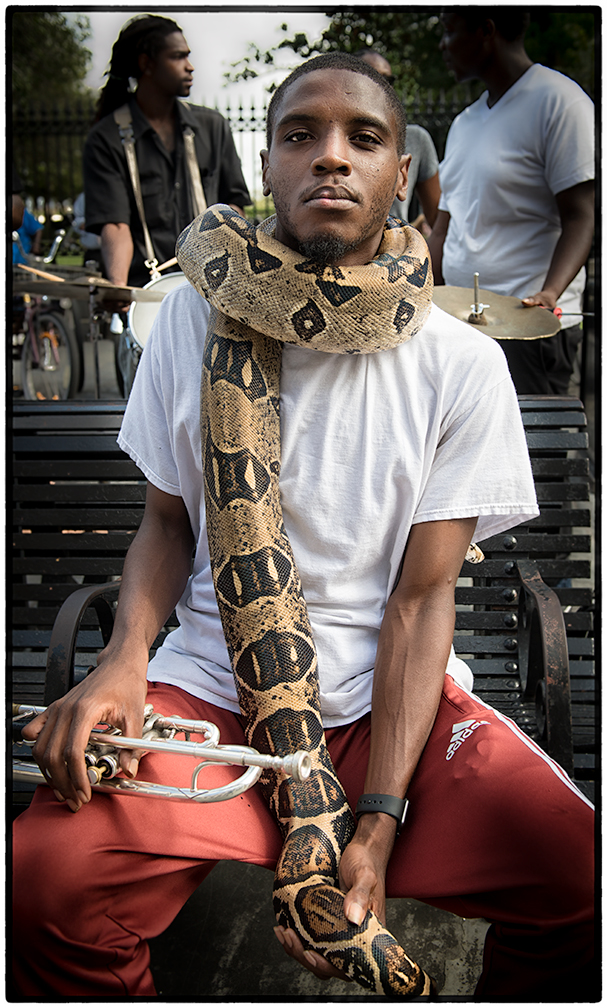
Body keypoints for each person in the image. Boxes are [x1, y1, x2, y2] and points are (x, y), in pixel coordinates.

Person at [12, 52, 594, 1000]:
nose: (331, 158)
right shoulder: (191, 327)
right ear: (266, 165)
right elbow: (165, 524)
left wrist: (375, 823)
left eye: (363, 139)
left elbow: (419, 601)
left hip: (386, 703)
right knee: (45, 881)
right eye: (299, 136)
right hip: (208, 688)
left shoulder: (460, 364)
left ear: (400, 174)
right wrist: (122, 657)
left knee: (580, 876)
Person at [428, 9, 595, 395]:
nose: (443, 45)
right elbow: (443, 226)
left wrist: (550, 293)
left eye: (450, 31)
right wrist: (420, 288)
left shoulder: (559, 103)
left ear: (487, 30)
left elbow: (581, 216)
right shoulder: (464, 123)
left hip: (526, 329)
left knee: (532, 451)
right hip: (460, 324)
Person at [83, 14, 251, 290]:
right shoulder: (106, 139)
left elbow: (233, 208)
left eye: (188, 56)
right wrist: (119, 287)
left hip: (212, 287)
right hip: (146, 288)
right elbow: (115, 225)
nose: (190, 67)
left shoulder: (212, 126)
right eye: (178, 57)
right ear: (146, 63)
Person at [355, 49, 440, 230]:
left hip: (396, 255)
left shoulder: (415, 140)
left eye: (389, 80)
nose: (382, 87)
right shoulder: (333, 144)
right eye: (371, 77)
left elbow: (438, 221)